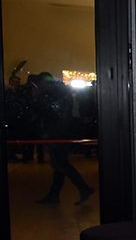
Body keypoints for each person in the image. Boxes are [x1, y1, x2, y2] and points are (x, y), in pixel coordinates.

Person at [33, 72, 94, 204]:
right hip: (61, 132)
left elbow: (53, 112)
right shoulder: (60, 92)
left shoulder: (54, 94)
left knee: (60, 163)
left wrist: (39, 98)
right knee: (59, 164)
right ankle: (55, 193)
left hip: (59, 133)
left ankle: (82, 187)